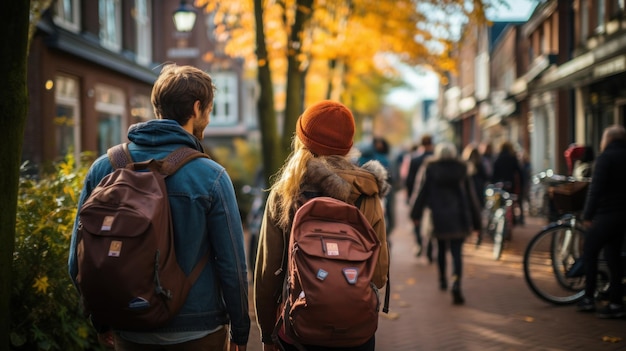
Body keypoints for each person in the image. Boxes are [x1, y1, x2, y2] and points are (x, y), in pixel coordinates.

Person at [68, 64, 250, 350]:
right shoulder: (211, 176)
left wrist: (103, 320)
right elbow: (233, 266)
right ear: (197, 107)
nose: (209, 118)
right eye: (210, 110)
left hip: (129, 327)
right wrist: (241, 330)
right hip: (199, 328)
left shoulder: (103, 168)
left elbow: (76, 260)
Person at [254, 100, 390, 351]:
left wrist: (266, 333)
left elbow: (267, 272)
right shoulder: (367, 194)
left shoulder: (286, 192)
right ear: (348, 145)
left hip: (297, 327)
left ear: (303, 140)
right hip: (355, 330)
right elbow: (379, 275)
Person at [409, 142, 482, 305]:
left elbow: (421, 192)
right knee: (457, 253)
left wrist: (415, 214)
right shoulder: (462, 169)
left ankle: (442, 280)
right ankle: (456, 282)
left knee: (440, 249)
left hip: (438, 216)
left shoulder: (430, 168)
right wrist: (477, 223)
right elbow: (471, 198)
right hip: (458, 216)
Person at [577, 124, 626, 318]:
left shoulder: (605, 158)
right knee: (614, 258)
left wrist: (587, 215)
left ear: (608, 139)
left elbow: (595, 190)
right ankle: (615, 303)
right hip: (622, 216)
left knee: (590, 252)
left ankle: (588, 297)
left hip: (606, 215)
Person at [405, 134, 435, 259]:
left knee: (416, 219)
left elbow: (409, 180)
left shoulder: (414, 159)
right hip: (432, 196)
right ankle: (429, 245)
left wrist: (410, 195)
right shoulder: (435, 159)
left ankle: (419, 243)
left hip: (417, 194)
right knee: (431, 222)